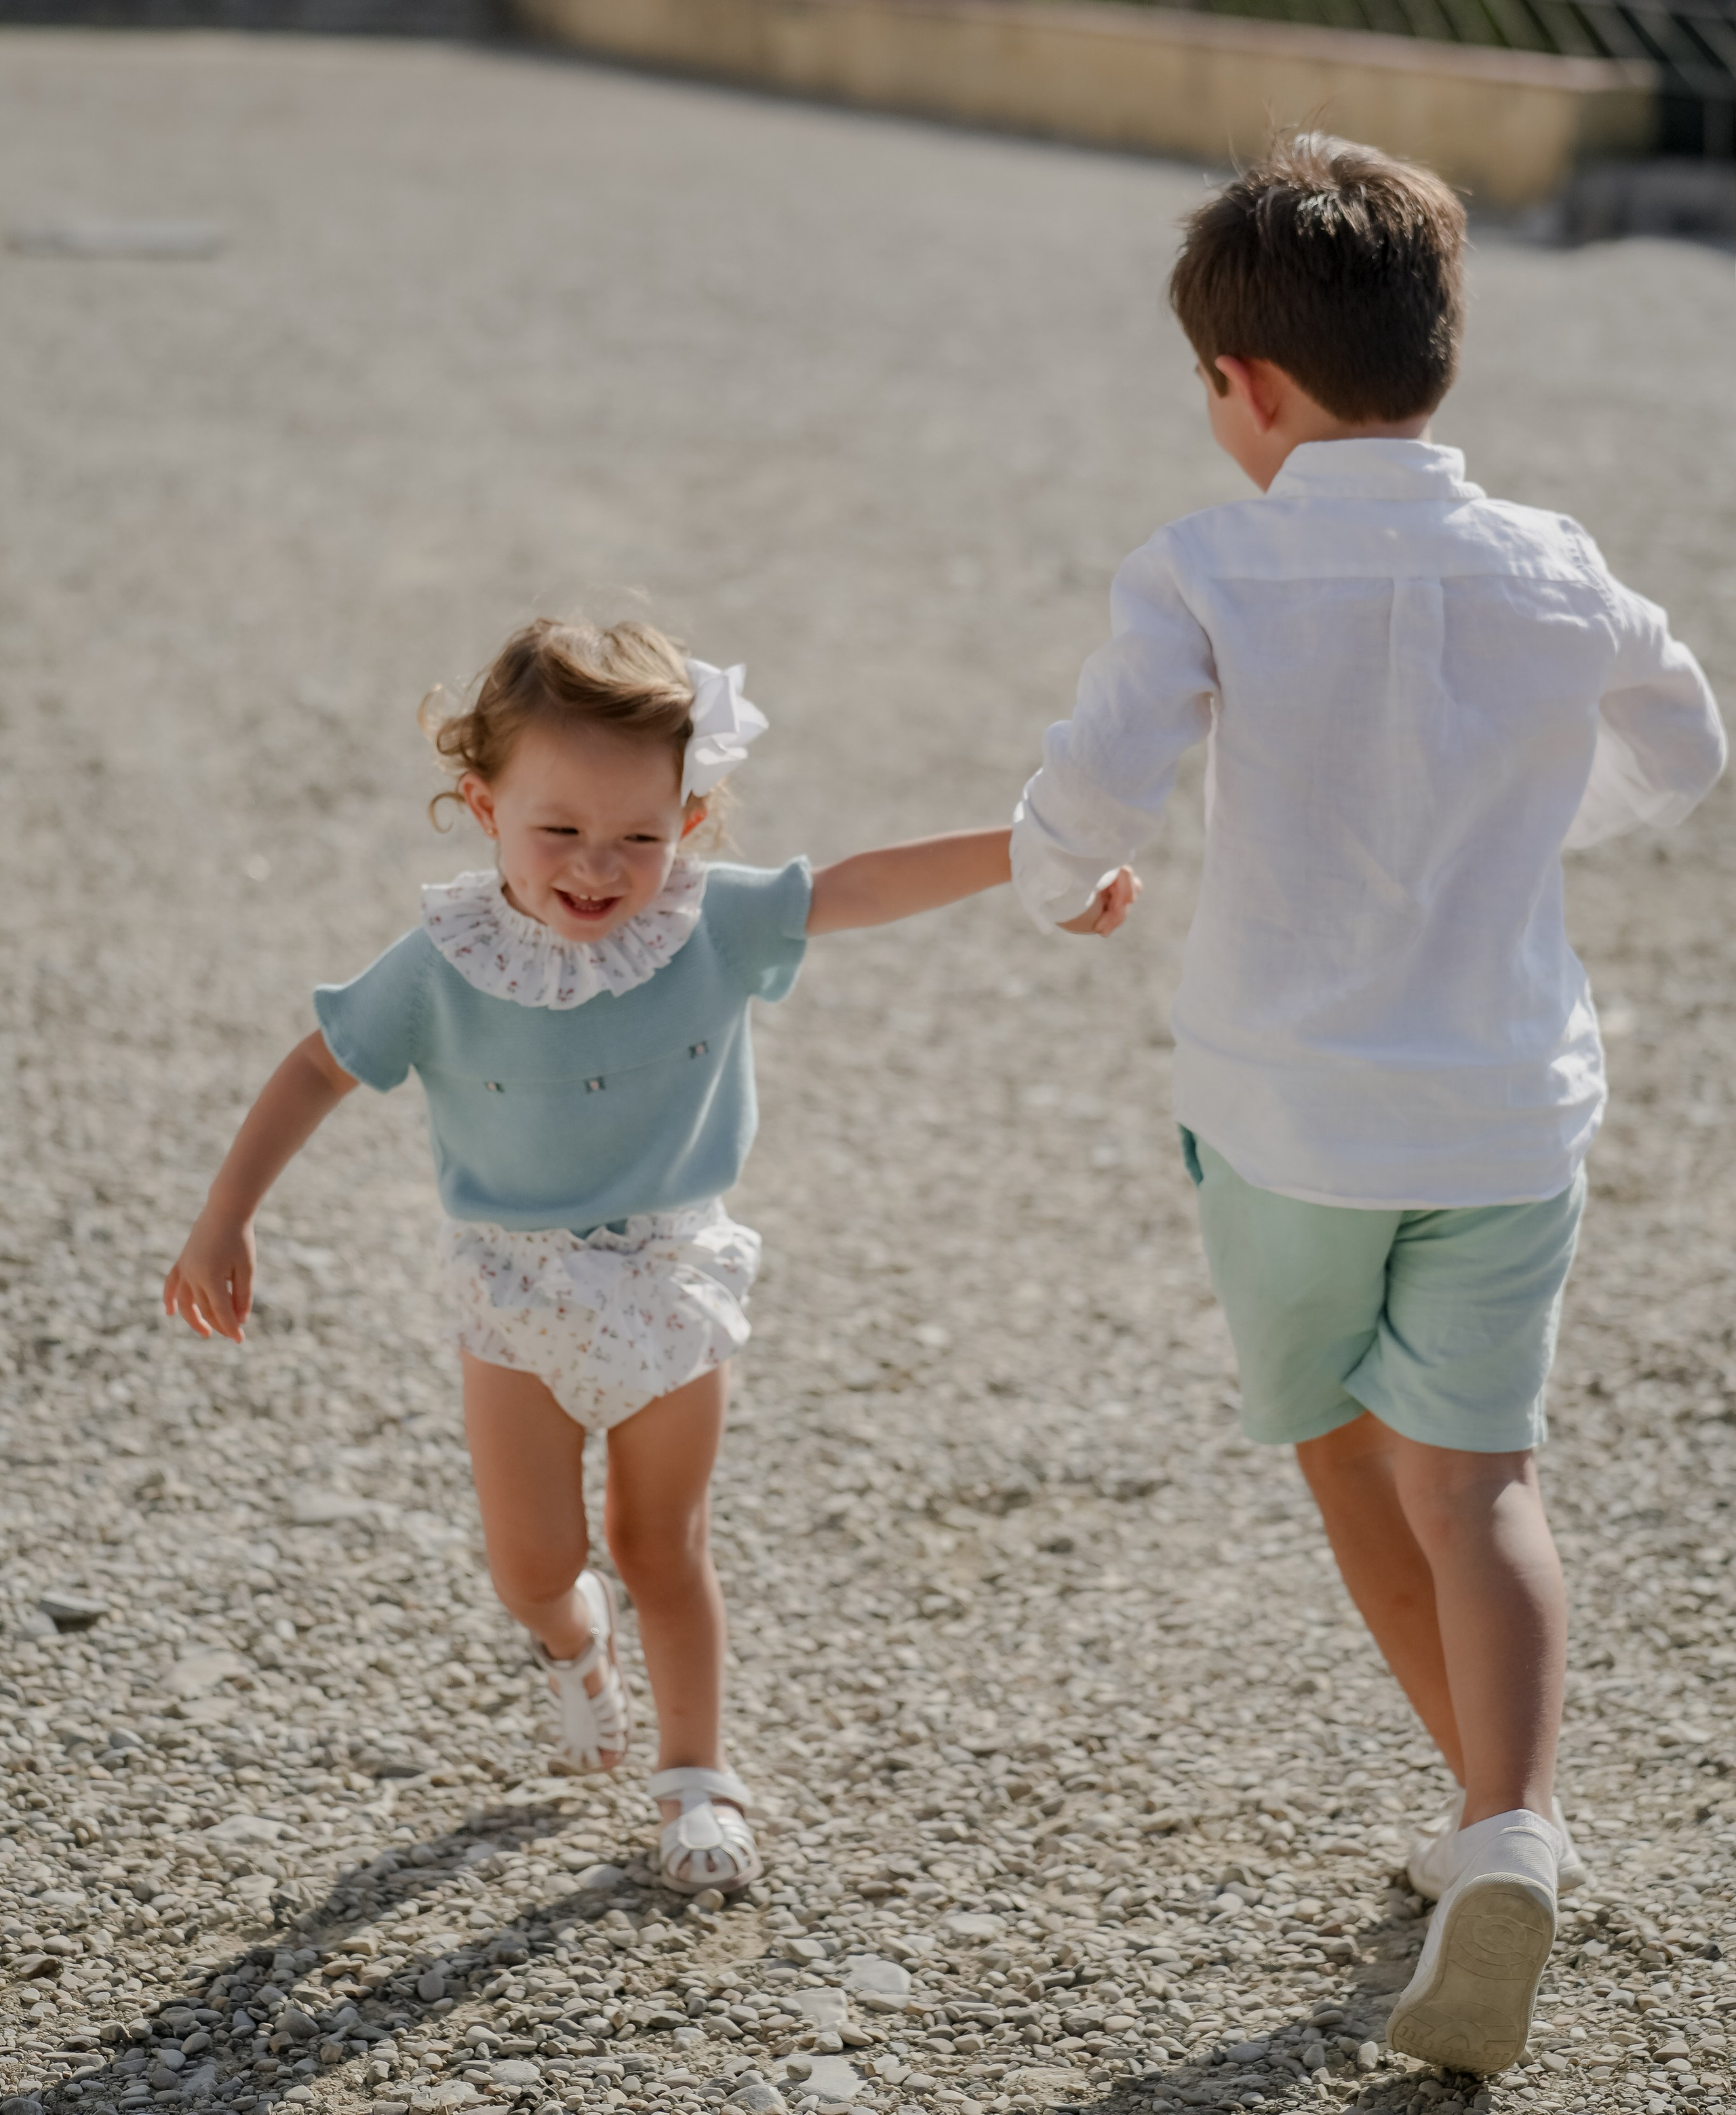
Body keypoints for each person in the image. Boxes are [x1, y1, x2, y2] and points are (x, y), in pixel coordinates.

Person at [1009, 135, 1725, 2078]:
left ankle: (1504, 1832)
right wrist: (1523, 821)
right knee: (1482, 1472)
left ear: (1242, 385)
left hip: (1292, 1117)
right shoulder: (1553, 558)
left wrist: (1059, 882)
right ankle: (1504, 1825)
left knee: (1340, 1443)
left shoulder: (1211, 562)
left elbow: (1100, 780)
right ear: (1440, 348)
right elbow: (1688, 737)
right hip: (1506, 1113)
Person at [165, 617, 1130, 1895]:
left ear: (691, 816)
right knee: (533, 1564)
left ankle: (697, 1780)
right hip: (513, 1291)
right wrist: (225, 1214)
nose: (598, 867)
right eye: (558, 831)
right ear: (482, 805)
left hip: (669, 1273)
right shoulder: (447, 963)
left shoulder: (708, 925)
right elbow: (316, 1066)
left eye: (642, 833)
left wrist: (1034, 856)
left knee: (660, 1538)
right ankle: (575, 1647)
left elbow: (858, 884)